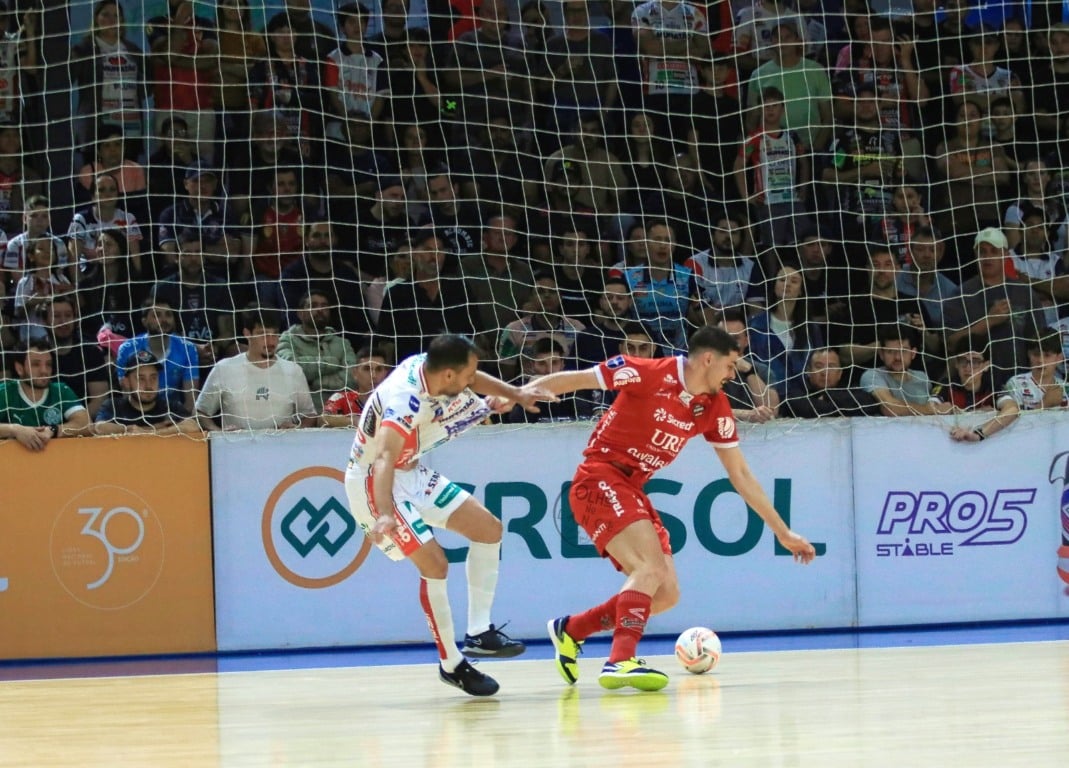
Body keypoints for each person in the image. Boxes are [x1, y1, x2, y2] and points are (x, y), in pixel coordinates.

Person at [530, 325, 816, 691]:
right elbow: (576, 380)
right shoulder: (648, 372)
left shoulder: (714, 406)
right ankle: (619, 662)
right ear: (708, 359)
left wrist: (783, 531)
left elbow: (740, 473)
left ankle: (571, 629)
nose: (732, 375)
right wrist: (516, 394)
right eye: (730, 366)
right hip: (599, 477)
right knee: (648, 567)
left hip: (632, 487)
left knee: (665, 594)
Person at [346, 334, 552, 696]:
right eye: (469, 374)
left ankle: (478, 632)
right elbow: (383, 459)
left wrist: (517, 394)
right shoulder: (403, 402)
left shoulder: (429, 368)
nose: (474, 379)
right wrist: (384, 514)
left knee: (489, 529)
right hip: (376, 481)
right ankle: (452, 664)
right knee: (436, 566)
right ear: (448, 376)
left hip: (411, 470)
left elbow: (472, 380)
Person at [196, 308, 317, 431]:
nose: (270, 341)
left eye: (274, 334)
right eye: (263, 334)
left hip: (282, 446)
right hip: (236, 446)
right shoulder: (224, 368)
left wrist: (296, 429)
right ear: (247, 333)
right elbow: (200, 412)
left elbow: (309, 415)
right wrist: (219, 434)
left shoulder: (293, 371)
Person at [950, 328, 1068, 443]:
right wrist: (1045, 403)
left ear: (1059, 358)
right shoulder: (1016, 383)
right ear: (1028, 355)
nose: (1040, 361)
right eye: (1036, 354)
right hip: (1022, 444)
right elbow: (1015, 420)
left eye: (1047, 355)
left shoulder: (1065, 388)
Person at [0, 340, 90, 450]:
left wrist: (54, 430)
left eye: (48, 364)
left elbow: (86, 424)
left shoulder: (61, 390)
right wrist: (16, 430)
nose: (44, 371)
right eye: (36, 364)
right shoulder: (5, 391)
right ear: (19, 368)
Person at [276, 289, 358, 410]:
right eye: (313, 305)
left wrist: (314, 383)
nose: (319, 310)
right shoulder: (287, 340)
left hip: (339, 414)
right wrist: (332, 363)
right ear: (300, 313)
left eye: (324, 306)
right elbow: (291, 370)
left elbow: (352, 377)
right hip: (300, 415)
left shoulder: (342, 343)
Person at [92, 350, 201, 436]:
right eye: (141, 379)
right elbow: (99, 427)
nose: (148, 385)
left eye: (153, 378)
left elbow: (193, 425)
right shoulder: (114, 406)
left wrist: (149, 433)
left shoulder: (170, 407)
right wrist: (131, 429)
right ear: (126, 382)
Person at [860, 324, 954, 417]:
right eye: (890, 351)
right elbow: (890, 408)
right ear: (881, 354)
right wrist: (930, 410)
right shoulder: (872, 375)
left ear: (913, 353)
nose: (897, 357)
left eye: (903, 351)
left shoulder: (922, 376)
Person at [321, 345, 393, 427]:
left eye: (379, 369)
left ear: (386, 373)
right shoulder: (341, 398)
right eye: (367, 369)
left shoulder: (394, 400)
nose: (373, 375)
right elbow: (322, 419)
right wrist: (354, 421)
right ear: (355, 373)